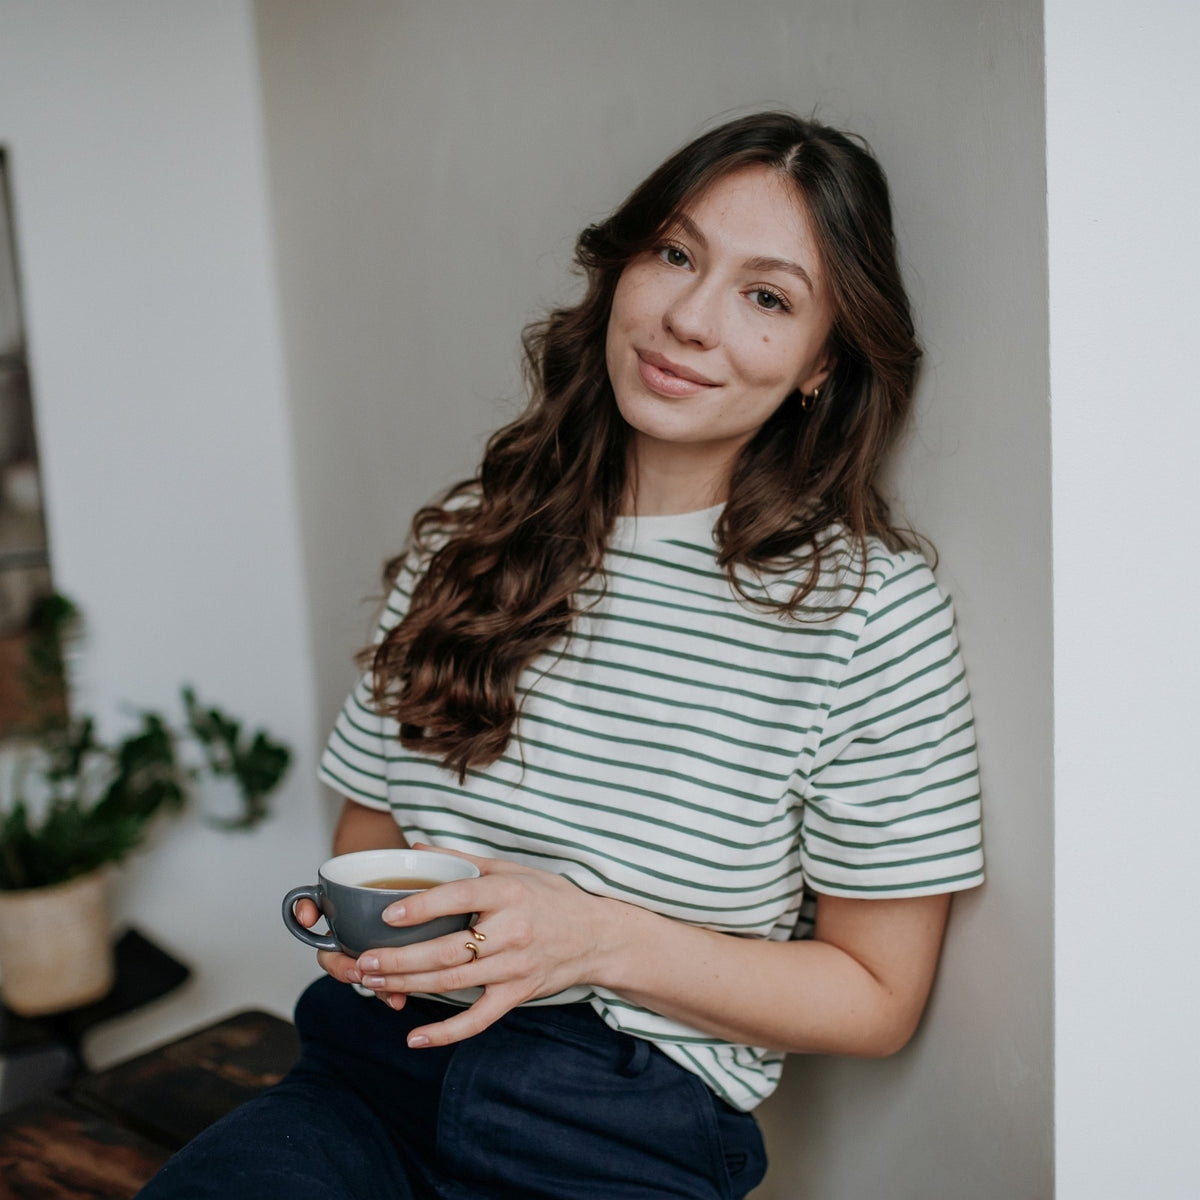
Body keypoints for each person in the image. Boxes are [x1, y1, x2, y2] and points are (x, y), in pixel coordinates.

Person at [139, 110, 983, 1200]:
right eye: (674, 254)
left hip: (614, 1131)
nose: (687, 317)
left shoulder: (870, 614)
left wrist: (590, 941)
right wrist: (370, 938)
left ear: (823, 360)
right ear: (621, 268)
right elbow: (369, 833)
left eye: (765, 296)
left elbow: (877, 997)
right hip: (362, 1083)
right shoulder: (466, 539)